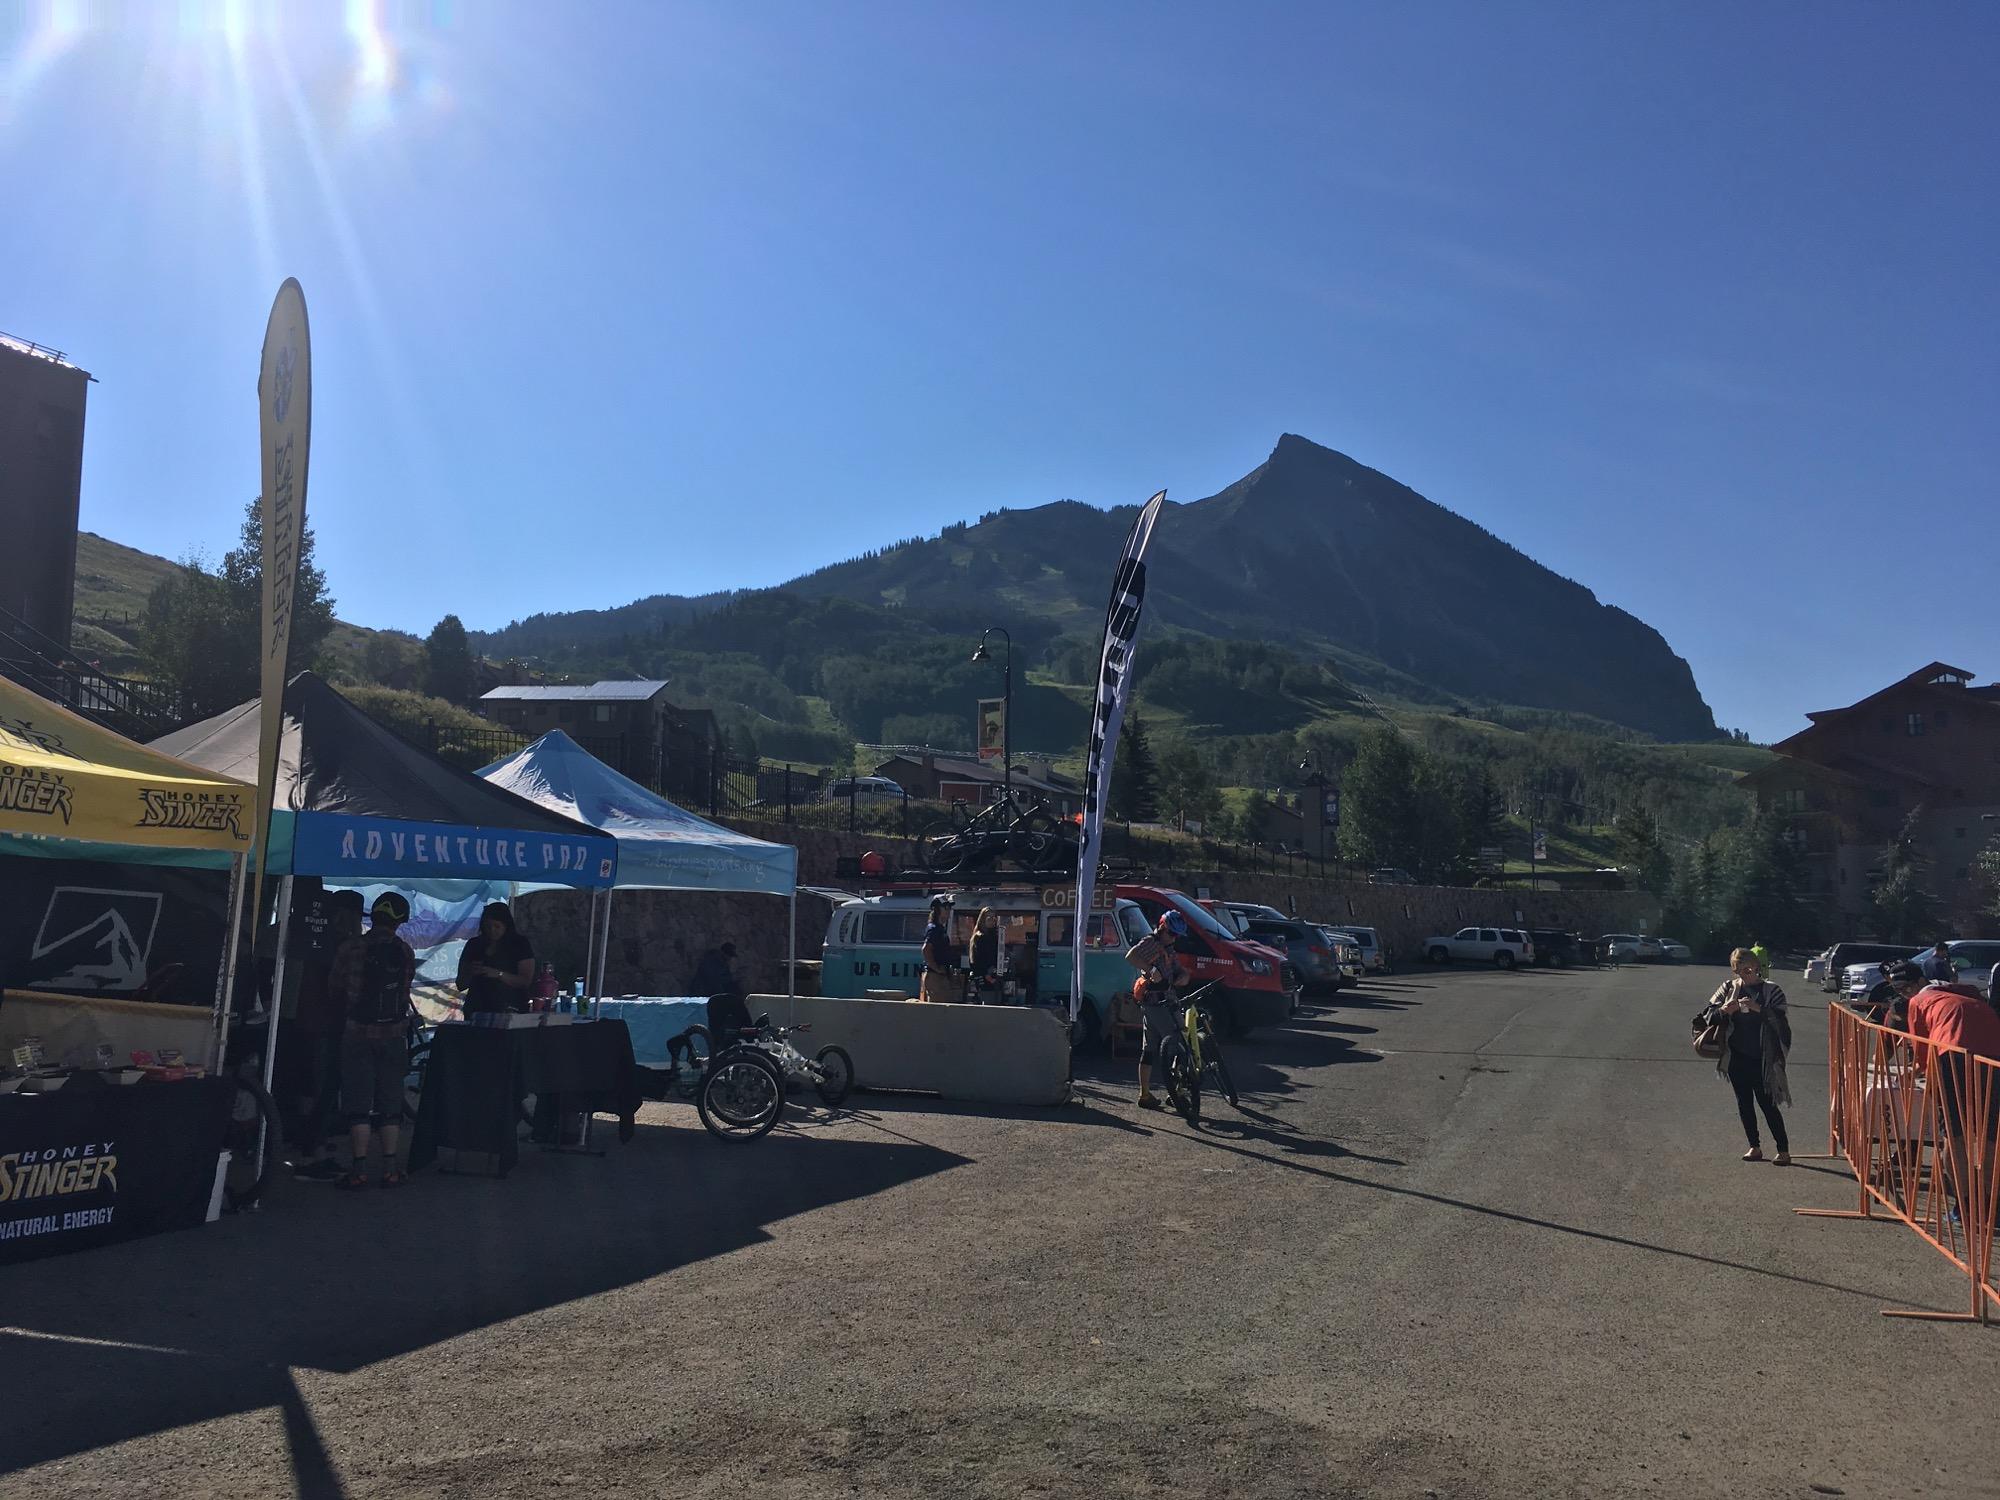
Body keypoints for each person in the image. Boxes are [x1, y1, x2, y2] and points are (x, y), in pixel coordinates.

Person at [331, 892, 418, 1190]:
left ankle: (359, 1170)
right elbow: (405, 989)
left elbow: (335, 987)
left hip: (356, 1033)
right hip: (394, 1034)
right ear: (399, 921)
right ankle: (391, 1168)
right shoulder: (405, 951)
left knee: (358, 1102)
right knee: (390, 1101)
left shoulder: (351, 947)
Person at [1906, 972, 2000, 1226]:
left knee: (1954, 1136)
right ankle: (1992, 1207)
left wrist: (1915, 1075)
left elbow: (1922, 1054)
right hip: (1992, 1059)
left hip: (1953, 1055)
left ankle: (1965, 1206)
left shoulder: (1919, 1001)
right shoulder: (1970, 997)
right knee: (1990, 1137)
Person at [291, 890, 365, 1181]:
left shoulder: (312, 940)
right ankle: (313, 1154)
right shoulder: (344, 946)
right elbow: (345, 989)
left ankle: (311, 1143)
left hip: (304, 1021)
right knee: (322, 1089)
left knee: (310, 1087)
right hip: (329, 1025)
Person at [1695, 948, 1793, 1164]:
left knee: (1768, 1104)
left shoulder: (1771, 990)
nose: (1744, 975)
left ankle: (1783, 1150)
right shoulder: (1728, 988)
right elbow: (1706, 1016)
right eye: (1738, 971)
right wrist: (1723, 1011)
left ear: (1757, 967)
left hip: (1764, 1058)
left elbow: (1782, 1024)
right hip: (1736, 1055)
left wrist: (1759, 1009)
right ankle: (1754, 1147)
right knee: (1744, 1104)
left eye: (1748, 969)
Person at [1135, 911, 1192, 1112]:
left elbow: (1178, 969)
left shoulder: (1167, 947)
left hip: (1155, 1002)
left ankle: (1145, 1094)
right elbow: (1131, 956)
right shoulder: (1151, 942)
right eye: (1172, 933)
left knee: (1149, 1049)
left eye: (1177, 935)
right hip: (1158, 1002)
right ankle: (1176, 1091)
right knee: (1178, 1042)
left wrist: (1184, 976)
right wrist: (1152, 972)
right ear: (1162, 927)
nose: (1174, 938)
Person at [456, 902, 536, 1016]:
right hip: (477, 1009)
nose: (492, 930)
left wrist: (499, 974)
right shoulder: (474, 944)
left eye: (497, 926)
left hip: (510, 1009)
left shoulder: (519, 944)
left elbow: (525, 981)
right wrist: (471, 972)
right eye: (488, 926)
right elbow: (460, 984)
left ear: (506, 925)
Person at [918, 897, 955, 1003]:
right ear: (937, 909)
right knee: (937, 1009)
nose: (949, 910)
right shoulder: (934, 928)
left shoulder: (941, 928)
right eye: (946, 907)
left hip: (942, 975)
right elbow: (926, 949)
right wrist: (936, 968)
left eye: (949, 908)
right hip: (934, 976)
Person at [968, 908, 1001, 1000]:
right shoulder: (979, 937)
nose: (992, 921)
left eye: (994, 918)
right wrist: (987, 976)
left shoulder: (994, 936)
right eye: (989, 918)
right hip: (984, 977)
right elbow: (976, 960)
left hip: (994, 976)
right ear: (982, 920)